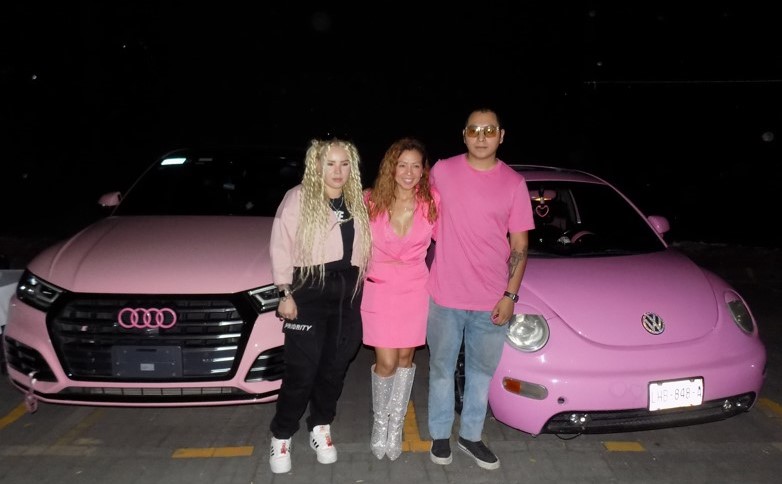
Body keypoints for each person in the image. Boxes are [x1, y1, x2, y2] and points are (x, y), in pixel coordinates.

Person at [426, 108, 534, 470]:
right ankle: (440, 434)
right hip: (445, 295)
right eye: (474, 130)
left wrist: (510, 295)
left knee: (481, 373)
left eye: (489, 130)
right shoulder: (442, 171)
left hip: (491, 299)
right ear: (464, 135)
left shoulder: (514, 183)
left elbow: (520, 245)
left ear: (501, 135)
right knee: (441, 369)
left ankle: (470, 435)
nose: (482, 136)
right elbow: (410, 199)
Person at [268, 135, 372, 474]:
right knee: (301, 371)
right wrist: (284, 293)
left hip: (347, 292)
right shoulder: (298, 198)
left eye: (344, 164)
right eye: (330, 164)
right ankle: (282, 434)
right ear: (317, 165)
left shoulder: (356, 201)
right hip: (309, 288)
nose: (337, 171)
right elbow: (281, 246)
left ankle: (320, 425)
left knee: (335, 367)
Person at [361, 137, 439, 460]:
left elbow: (454, 239)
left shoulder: (432, 201)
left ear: (423, 170)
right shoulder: (370, 200)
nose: (408, 172)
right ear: (391, 168)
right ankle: (380, 424)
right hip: (379, 288)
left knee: (406, 358)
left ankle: (396, 428)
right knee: (386, 361)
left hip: (415, 289)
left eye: (415, 166)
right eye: (402, 165)